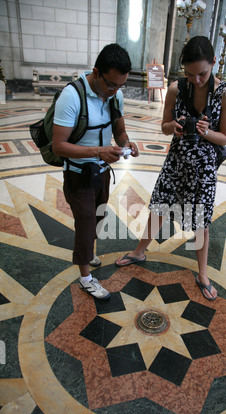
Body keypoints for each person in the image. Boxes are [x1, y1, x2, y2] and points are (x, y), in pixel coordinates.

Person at [115, 36, 226, 301]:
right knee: (159, 206)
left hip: (204, 168)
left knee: (201, 220)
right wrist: (176, 126)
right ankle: (139, 251)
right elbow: (164, 126)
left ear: (213, 63)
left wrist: (206, 133)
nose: (197, 80)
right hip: (176, 161)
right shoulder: (175, 89)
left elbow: (225, 138)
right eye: (190, 74)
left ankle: (202, 274)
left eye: (202, 73)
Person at [52, 43, 139, 299]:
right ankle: (86, 277)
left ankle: (88, 253)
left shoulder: (115, 96)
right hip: (78, 174)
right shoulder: (71, 96)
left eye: (120, 85)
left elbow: (119, 132)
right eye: (111, 84)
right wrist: (98, 151)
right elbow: (59, 146)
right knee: (86, 223)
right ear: (96, 72)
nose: (115, 91)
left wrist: (126, 145)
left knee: (99, 216)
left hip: (101, 172)